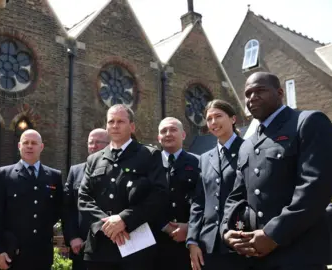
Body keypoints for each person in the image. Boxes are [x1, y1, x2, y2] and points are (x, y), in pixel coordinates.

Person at [221, 72, 332, 270]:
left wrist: (273, 234)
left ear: (280, 92)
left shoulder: (307, 122)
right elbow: (237, 194)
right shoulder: (247, 145)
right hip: (257, 255)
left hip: (300, 253)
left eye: (260, 90)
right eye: (248, 94)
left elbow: (316, 187)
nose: (252, 97)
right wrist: (227, 230)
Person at [78, 104, 168, 270]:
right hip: (100, 248)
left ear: (132, 126)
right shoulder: (95, 159)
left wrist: (124, 219)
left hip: (136, 247)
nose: (115, 125)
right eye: (111, 121)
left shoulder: (148, 155)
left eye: (120, 121)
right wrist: (107, 225)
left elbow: (158, 195)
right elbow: (84, 198)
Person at [0, 129, 63, 270]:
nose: (29, 146)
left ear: (41, 147)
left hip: (41, 255)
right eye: (26, 142)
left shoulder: (54, 176)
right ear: (19, 146)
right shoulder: (3, 175)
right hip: (11, 254)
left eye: (34, 143)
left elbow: (57, 210)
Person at [186, 100, 248, 270]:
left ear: (233, 119)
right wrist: (192, 241)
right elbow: (199, 202)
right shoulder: (205, 158)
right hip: (209, 245)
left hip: (240, 240)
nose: (213, 122)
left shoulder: (248, 150)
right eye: (209, 118)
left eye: (218, 116)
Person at [154, 117, 200, 270]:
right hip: (155, 244)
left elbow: (204, 200)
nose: (168, 134)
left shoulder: (198, 163)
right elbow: (144, 199)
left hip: (188, 244)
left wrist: (190, 229)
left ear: (184, 135)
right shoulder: (149, 164)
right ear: (158, 137)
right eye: (163, 131)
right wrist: (164, 226)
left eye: (173, 130)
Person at [63, 128, 110, 270]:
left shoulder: (117, 170)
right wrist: (72, 237)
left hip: (110, 244)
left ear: (109, 144)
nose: (93, 146)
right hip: (81, 245)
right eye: (91, 142)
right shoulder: (75, 171)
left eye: (98, 142)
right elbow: (67, 207)